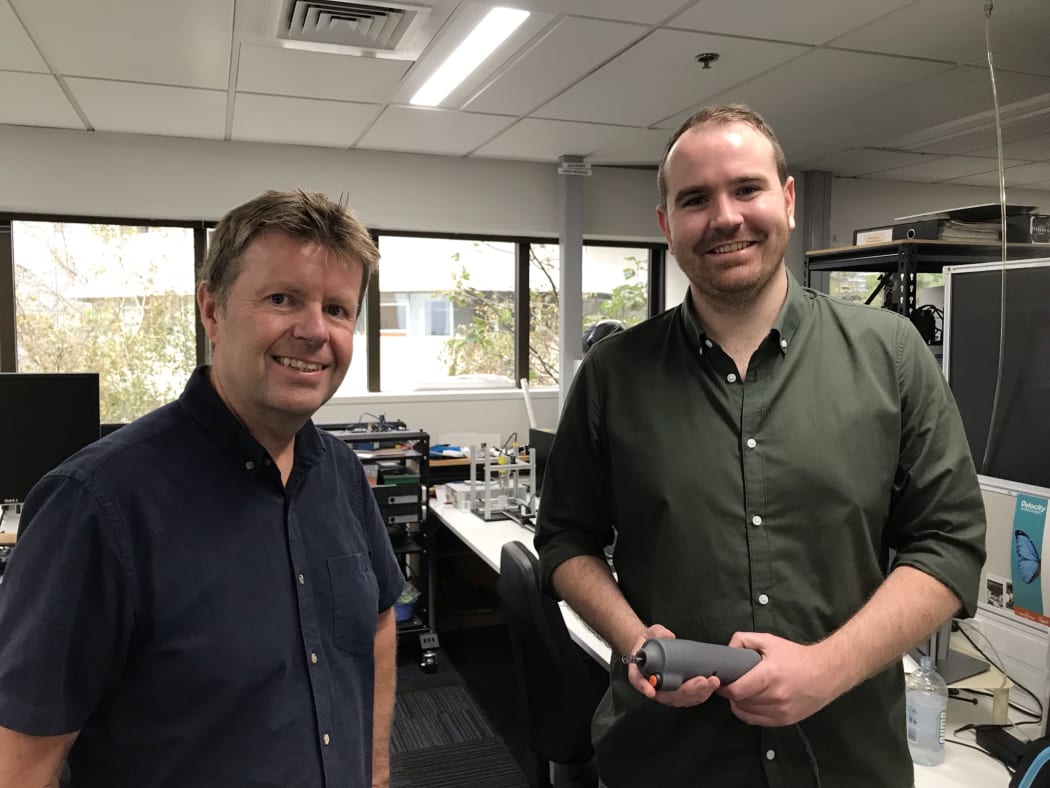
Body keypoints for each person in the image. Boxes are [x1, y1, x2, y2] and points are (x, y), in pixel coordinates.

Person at [534, 104, 987, 788]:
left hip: (845, 762)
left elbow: (949, 545)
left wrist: (825, 670)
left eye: (746, 188)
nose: (724, 217)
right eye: (695, 199)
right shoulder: (613, 375)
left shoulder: (893, 357)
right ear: (666, 224)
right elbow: (566, 540)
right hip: (666, 762)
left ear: (788, 199)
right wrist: (636, 641)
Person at [0, 190, 404, 787]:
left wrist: (374, 776)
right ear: (211, 311)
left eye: (338, 309)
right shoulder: (96, 505)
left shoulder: (342, 473)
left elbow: (376, 621)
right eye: (281, 298)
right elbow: (22, 760)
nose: (316, 330)